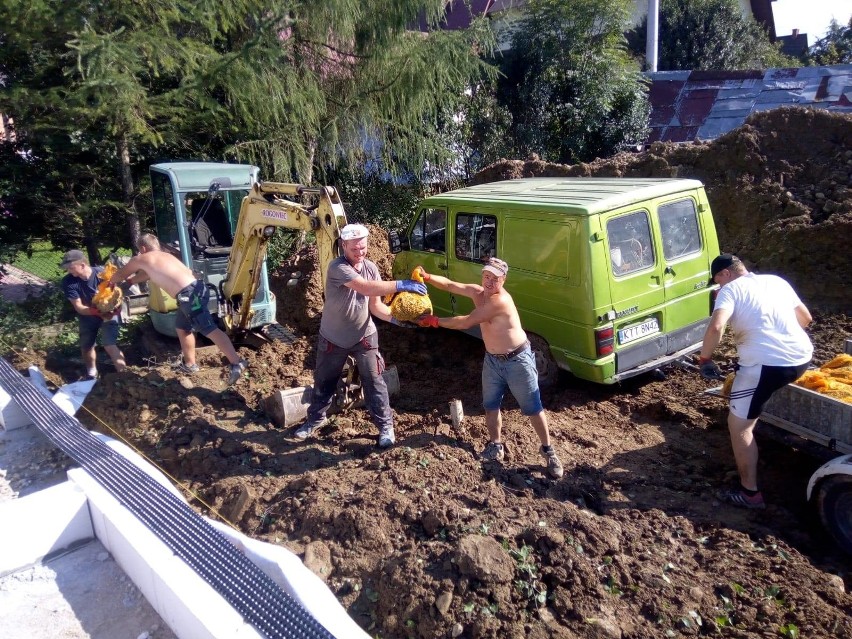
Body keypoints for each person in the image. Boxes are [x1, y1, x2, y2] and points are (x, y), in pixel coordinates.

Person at [416, 257, 564, 479]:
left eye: (495, 278)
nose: (489, 281)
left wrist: (435, 321)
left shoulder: (499, 302)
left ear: (503, 280)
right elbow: (450, 285)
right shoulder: (478, 293)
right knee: (491, 405)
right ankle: (496, 445)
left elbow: (465, 322)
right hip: (493, 360)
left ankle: (548, 451)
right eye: (486, 276)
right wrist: (427, 277)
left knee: (533, 407)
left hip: (518, 360)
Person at [293, 223, 427, 448]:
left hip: (364, 336)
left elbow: (375, 307)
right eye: (355, 249)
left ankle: (386, 427)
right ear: (343, 246)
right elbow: (365, 288)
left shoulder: (371, 268)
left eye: (363, 248)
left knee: (374, 381)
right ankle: (315, 419)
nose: (360, 253)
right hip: (333, 337)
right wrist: (402, 284)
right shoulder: (337, 267)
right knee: (324, 380)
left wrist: (399, 320)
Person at [698, 254, 813, 509]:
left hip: (766, 366)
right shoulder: (776, 281)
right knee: (759, 391)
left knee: (739, 426)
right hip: (802, 357)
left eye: (718, 280)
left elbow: (716, 328)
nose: (718, 286)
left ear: (726, 274)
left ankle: (750, 494)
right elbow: (805, 319)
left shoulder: (730, 291)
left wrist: (705, 359)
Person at [109, 234, 247, 386]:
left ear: (142, 248)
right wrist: (130, 282)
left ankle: (237, 362)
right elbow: (147, 275)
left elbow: (120, 274)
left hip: (189, 295)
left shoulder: (142, 258)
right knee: (182, 327)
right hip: (195, 290)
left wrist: (108, 284)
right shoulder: (165, 257)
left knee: (207, 328)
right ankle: (190, 365)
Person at [60, 250, 127, 379]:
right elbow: (79, 307)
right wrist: (96, 311)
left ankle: (125, 375)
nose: (68, 270)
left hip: (109, 314)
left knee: (109, 344)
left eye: (71, 267)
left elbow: (116, 294)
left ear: (83, 265)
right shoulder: (68, 282)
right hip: (88, 315)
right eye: (67, 268)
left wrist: (114, 307)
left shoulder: (103, 274)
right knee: (87, 346)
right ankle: (91, 372)